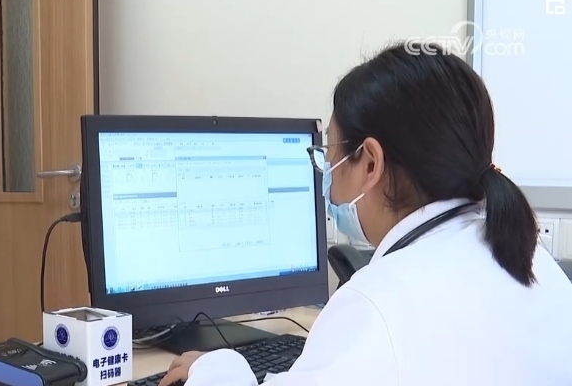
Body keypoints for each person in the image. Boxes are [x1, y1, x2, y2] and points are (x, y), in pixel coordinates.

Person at [160, 43, 572, 386]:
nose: (326, 173)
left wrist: (217, 369)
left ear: (370, 163)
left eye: (329, 154)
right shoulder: (526, 255)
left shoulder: (378, 303)